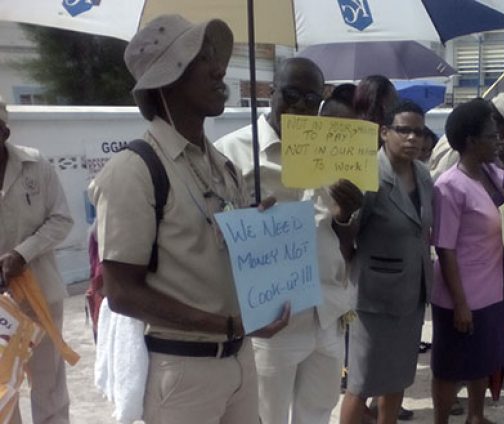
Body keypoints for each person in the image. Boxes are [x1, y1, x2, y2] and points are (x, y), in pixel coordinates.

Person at [89, 15, 289, 423]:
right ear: (167, 79)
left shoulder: (221, 164)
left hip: (239, 361)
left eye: (215, 57)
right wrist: (230, 325)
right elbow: (123, 293)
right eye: (202, 59)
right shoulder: (134, 170)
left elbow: (211, 247)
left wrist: (252, 231)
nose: (220, 69)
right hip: (182, 373)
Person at [215, 57, 361, 424]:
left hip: (327, 310)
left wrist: (348, 213)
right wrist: (244, 218)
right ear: (269, 92)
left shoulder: (333, 148)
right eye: (291, 95)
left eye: (311, 100)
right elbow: (213, 238)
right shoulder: (229, 152)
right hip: (273, 317)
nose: (299, 106)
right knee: (268, 417)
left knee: (317, 412)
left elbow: (339, 231)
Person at [339, 100, 434, 424]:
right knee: (362, 383)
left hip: (412, 295)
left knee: (397, 378)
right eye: (403, 130)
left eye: (418, 132)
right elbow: (347, 239)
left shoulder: (423, 174)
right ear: (384, 133)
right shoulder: (367, 174)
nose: (412, 138)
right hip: (374, 301)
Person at [430, 99, 504, 424]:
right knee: (450, 367)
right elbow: (445, 248)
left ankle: (476, 415)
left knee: (483, 359)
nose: (498, 141)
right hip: (460, 296)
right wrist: (460, 303)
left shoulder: (492, 174)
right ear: (471, 142)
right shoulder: (450, 187)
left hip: (491, 289)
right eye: (491, 136)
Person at [0, 97, 73, 424]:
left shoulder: (36, 165)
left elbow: (61, 220)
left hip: (40, 293)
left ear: (4, 130)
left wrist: (21, 253)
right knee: (3, 386)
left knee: (48, 385)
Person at [429, 92, 504, 180]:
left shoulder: (478, 152)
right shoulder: (460, 150)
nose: (499, 141)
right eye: (501, 135)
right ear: (494, 121)